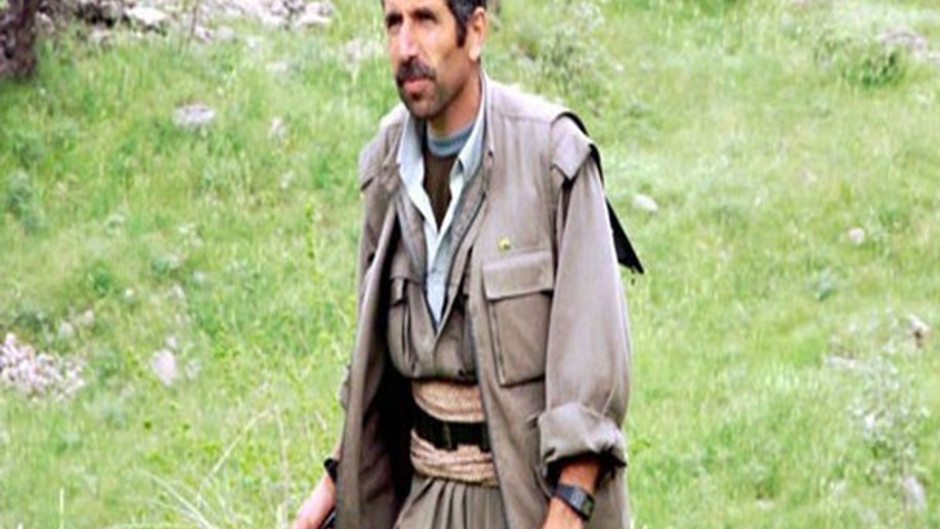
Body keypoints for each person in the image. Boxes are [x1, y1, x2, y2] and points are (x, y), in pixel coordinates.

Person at [292, 0, 641, 528]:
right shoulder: (387, 165)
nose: (405, 47)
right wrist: (332, 483)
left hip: (527, 504)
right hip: (423, 498)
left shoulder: (552, 157)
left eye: (425, 19)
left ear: (475, 32)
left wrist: (568, 511)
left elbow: (593, 378)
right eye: (393, 23)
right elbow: (374, 367)